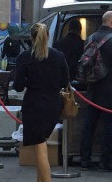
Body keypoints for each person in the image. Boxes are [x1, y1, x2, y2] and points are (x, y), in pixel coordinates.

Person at [13, 23, 69, 182]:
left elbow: (18, 86)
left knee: (40, 146)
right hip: (53, 104)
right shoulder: (58, 55)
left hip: (34, 105)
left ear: (31, 37)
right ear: (48, 36)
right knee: (41, 143)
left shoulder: (24, 57)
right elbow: (65, 81)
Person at [79, 11, 112, 172]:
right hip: (111, 90)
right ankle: (105, 161)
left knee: (89, 125)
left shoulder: (90, 38)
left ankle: (85, 159)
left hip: (93, 89)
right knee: (109, 127)